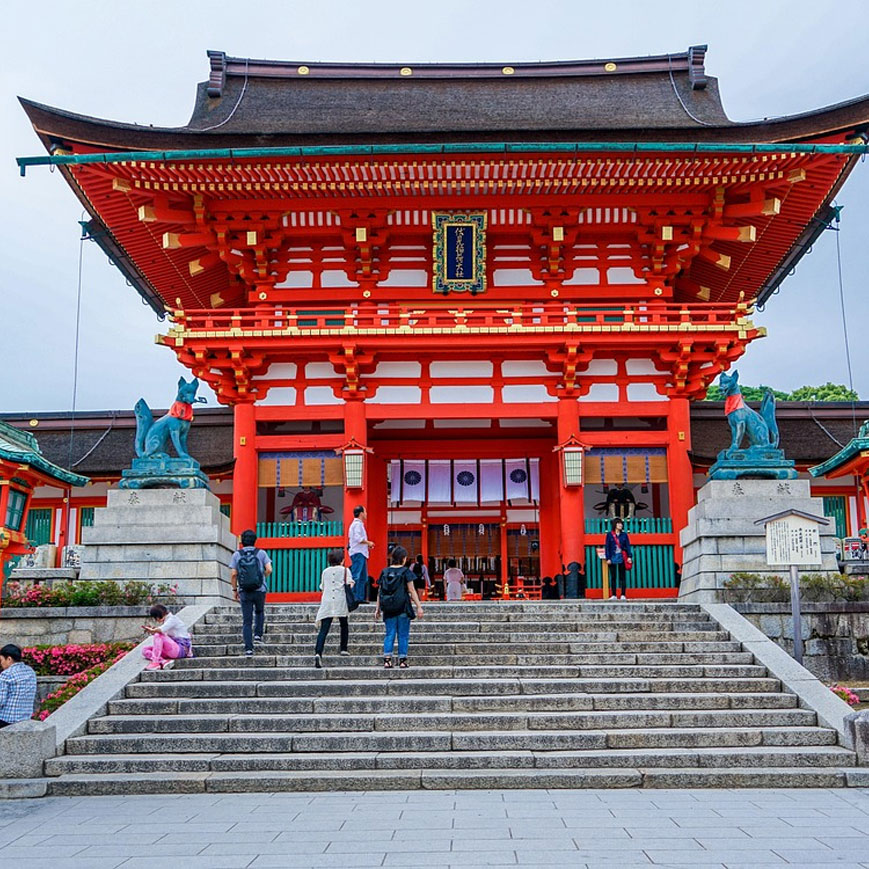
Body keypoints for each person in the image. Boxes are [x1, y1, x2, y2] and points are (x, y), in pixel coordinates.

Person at [375, 545, 423, 668]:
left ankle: (387, 659)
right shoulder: (406, 572)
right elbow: (412, 590)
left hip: (388, 608)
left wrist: (377, 608)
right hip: (403, 607)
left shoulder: (384, 572)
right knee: (403, 634)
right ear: (403, 558)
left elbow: (380, 591)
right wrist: (418, 606)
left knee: (389, 633)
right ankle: (402, 660)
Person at [230, 529, 273, 656]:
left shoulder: (237, 555)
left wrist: (234, 590)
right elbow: (269, 569)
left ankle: (248, 649)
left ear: (242, 541)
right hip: (259, 589)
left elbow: (233, 574)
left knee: (247, 620)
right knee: (259, 611)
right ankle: (258, 636)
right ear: (255, 540)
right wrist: (262, 578)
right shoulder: (261, 553)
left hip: (244, 590)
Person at [314, 548, 354, 668]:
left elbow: (322, 586)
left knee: (324, 629)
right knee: (344, 624)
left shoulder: (325, 571)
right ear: (342, 559)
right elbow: (349, 584)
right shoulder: (345, 570)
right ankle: (343, 648)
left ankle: (318, 652)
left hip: (327, 601)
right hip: (340, 600)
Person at [141, 605, 193, 670]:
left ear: (158, 616)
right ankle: (163, 661)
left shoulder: (173, 619)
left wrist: (153, 630)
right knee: (145, 649)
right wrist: (154, 630)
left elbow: (161, 630)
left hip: (180, 650)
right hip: (171, 649)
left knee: (158, 634)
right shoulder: (167, 621)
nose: (156, 620)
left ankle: (155, 662)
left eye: (155, 618)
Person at [0, 644, 37, 727]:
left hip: (7, 720)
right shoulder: (30, 671)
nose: (1, 664)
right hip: (25, 718)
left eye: (1, 660)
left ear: (9, 659)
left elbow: (1, 701)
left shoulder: (7, 674)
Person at [348, 505, 374, 604]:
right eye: (365, 512)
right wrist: (368, 543)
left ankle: (359, 597)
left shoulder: (357, 524)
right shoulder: (357, 525)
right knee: (357, 575)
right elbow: (358, 538)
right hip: (358, 552)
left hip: (360, 552)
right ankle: (354, 596)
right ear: (361, 513)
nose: (366, 514)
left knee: (363, 576)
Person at [605, 517, 633, 601]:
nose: (620, 525)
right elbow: (607, 547)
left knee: (622, 576)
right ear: (615, 525)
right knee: (613, 576)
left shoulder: (624, 535)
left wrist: (629, 556)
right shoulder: (609, 535)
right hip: (613, 556)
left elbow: (628, 546)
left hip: (622, 556)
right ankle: (613, 594)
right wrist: (608, 558)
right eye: (619, 523)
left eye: (621, 524)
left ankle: (623, 594)